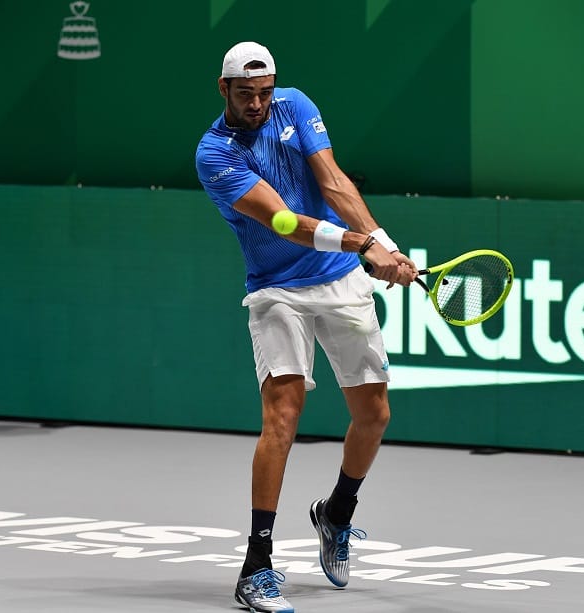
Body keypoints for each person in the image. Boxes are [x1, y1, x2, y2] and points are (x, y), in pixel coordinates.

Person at [195, 42, 417, 612]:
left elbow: (334, 181)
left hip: (340, 279)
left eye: (265, 92)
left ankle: (336, 513)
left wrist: (386, 246)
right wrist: (364, 244)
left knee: (375, 415)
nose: (258, 103)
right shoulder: (214, 153)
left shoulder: (294, 105)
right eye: (245, 94)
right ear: (223, 90)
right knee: (282, 416)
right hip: (275, 290)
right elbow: (284, 220)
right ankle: (257, 566)